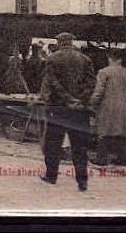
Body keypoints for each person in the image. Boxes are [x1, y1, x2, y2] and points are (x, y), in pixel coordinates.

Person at [41, 32, 96, 191]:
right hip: (79, 109)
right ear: (72, 42)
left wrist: (67, 98)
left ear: (59, 42)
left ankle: (51, 176)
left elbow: (53, 82)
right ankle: (82, 181)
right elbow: (91, 83)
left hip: (58, 108)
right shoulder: (85, 59)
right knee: (79, 145)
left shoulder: (52, 59)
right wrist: (79, 99)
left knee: (53, 143)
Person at [89, 49, 126, 166]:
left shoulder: (103, 72)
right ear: (121, 59)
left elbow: (99, 91)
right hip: (124, 107)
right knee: (122, 132)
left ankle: (101, 159)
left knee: (104, 132)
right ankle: (122, 159)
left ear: (109, 58)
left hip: (107, 106)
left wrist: (92, 102)